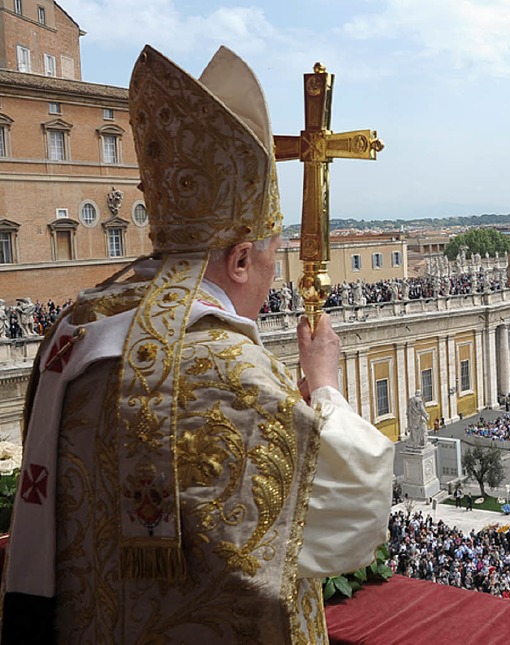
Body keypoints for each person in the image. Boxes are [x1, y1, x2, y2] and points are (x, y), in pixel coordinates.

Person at [1, 45, 394, 644]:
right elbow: (352, 512)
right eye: (270, 262)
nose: (272, 283)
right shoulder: (224, 362)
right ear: (240, 259)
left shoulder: (78, 326)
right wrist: (325, 386)